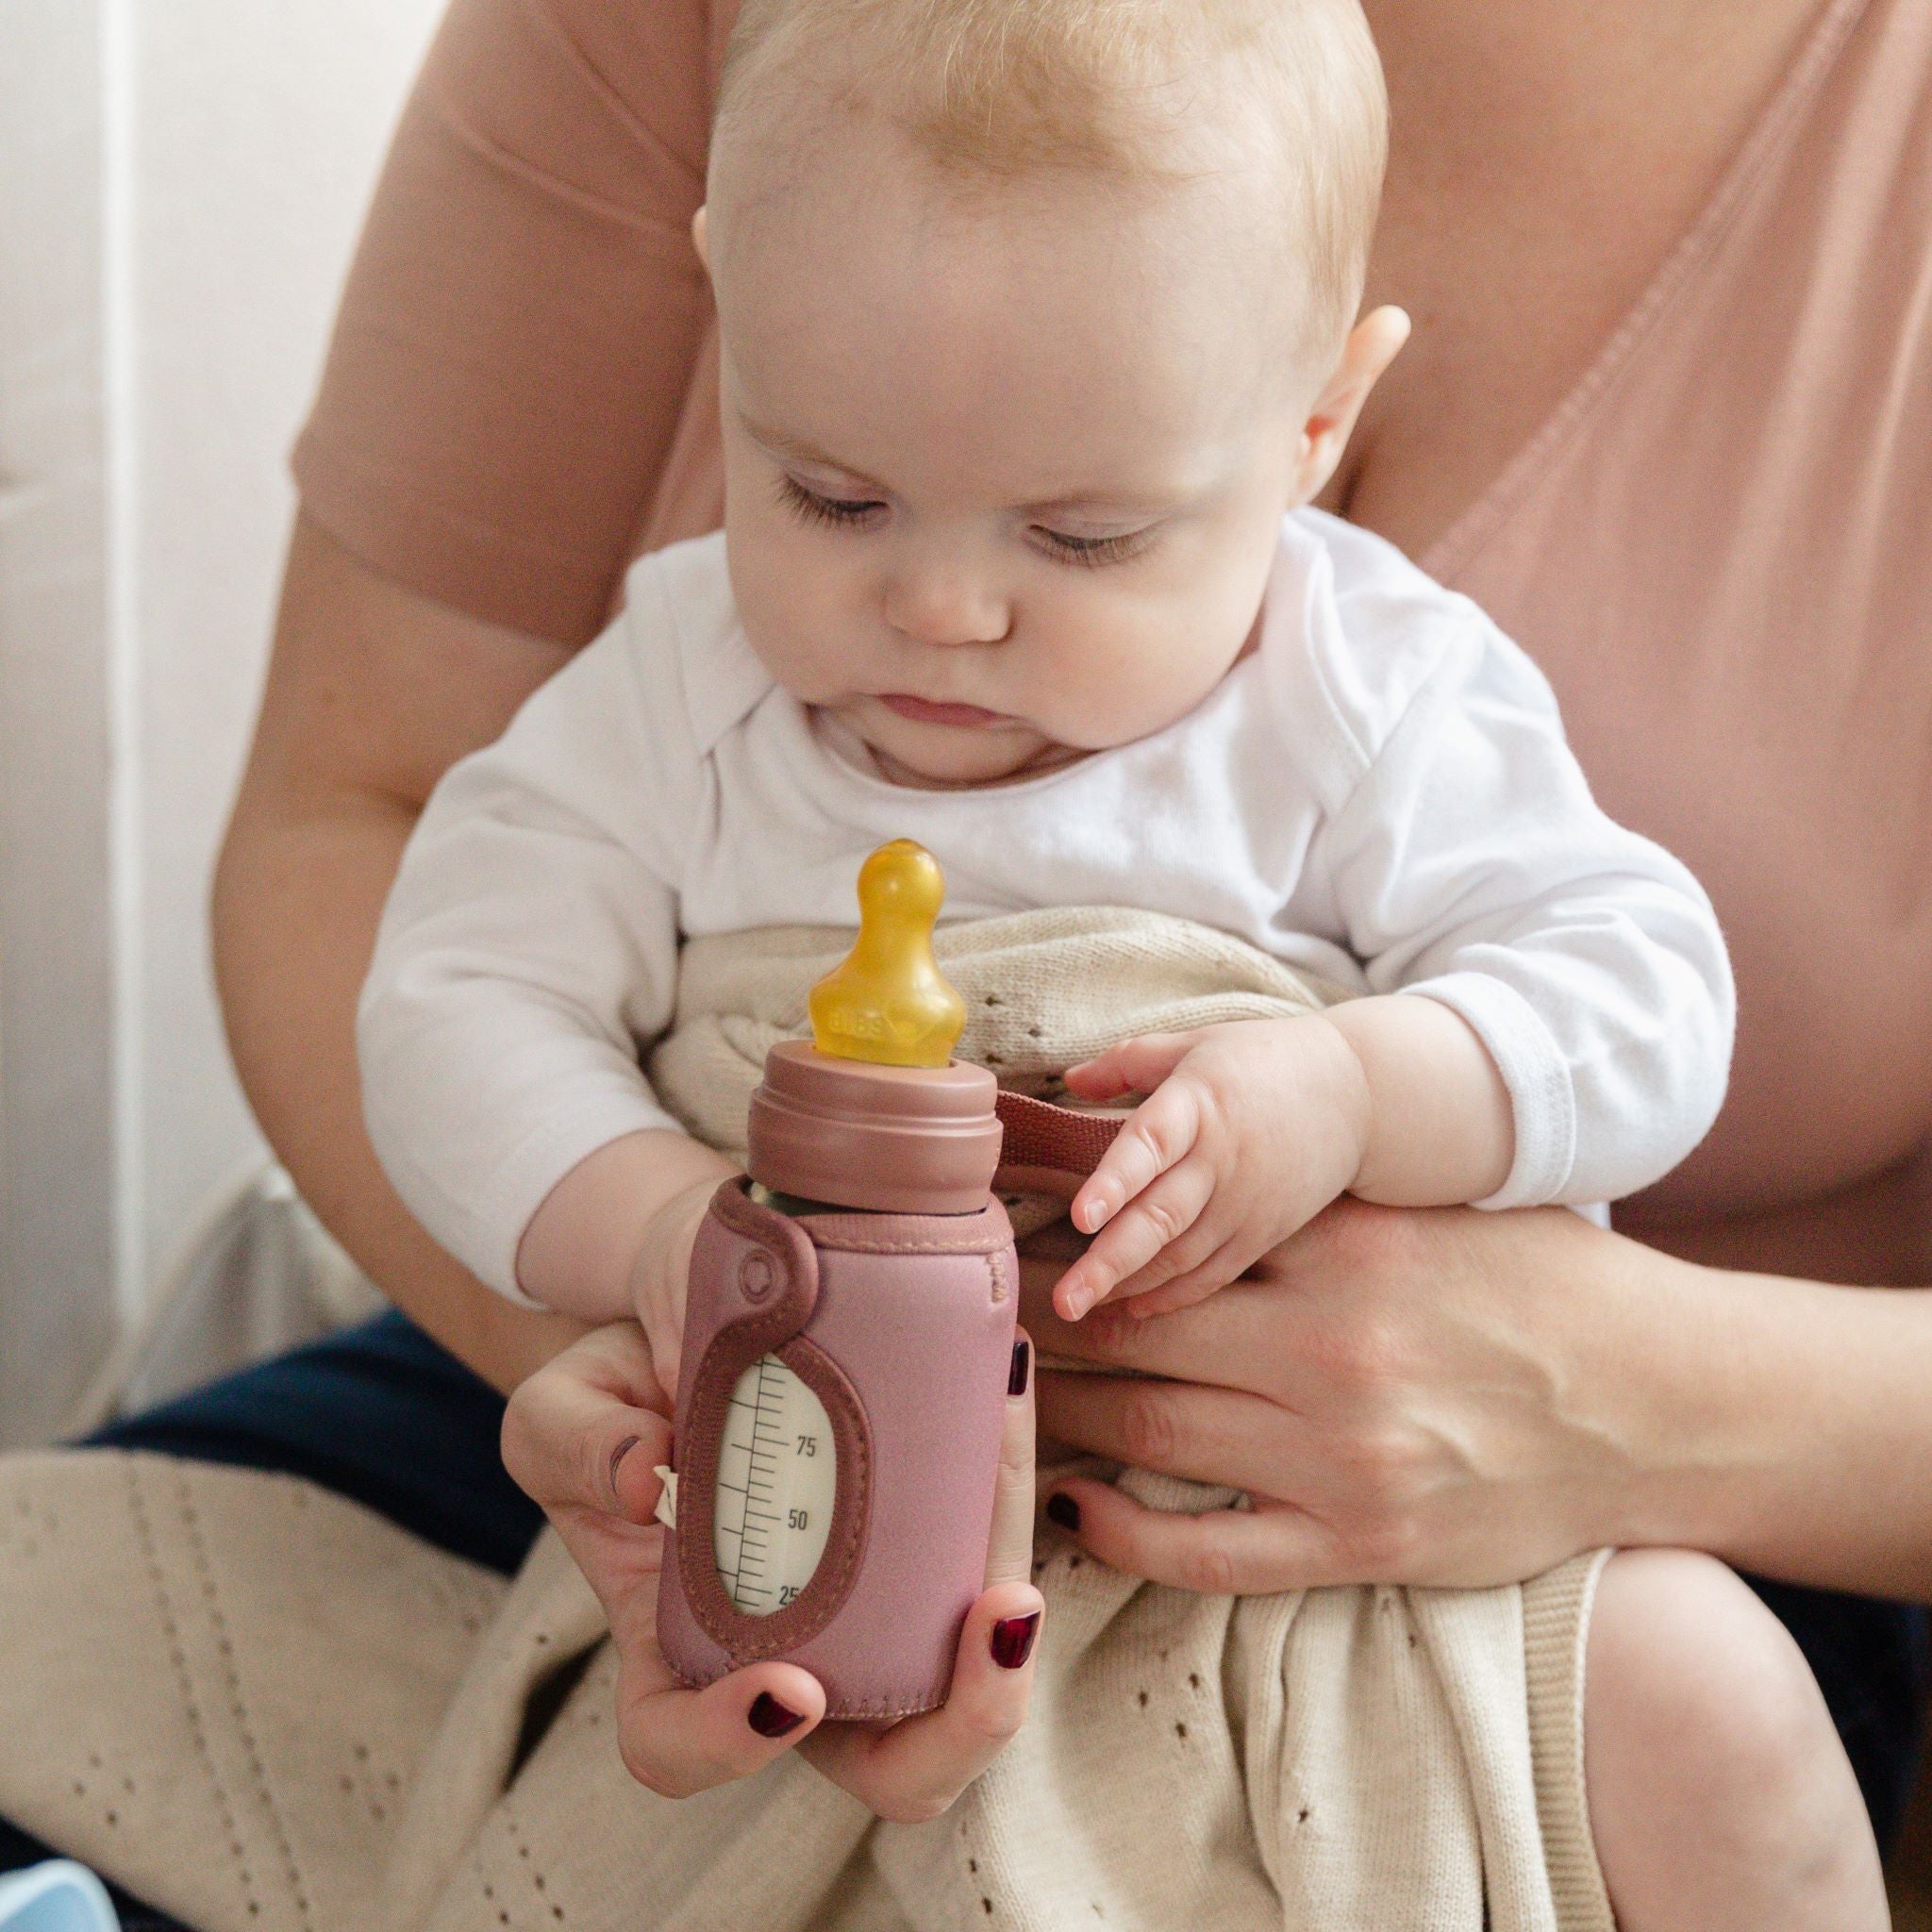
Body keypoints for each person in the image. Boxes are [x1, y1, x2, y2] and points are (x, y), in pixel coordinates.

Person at [6, 0, 1928, 1923]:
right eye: (831, 495)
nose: (937, 607)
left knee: (1713, 1710)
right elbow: (448, 994)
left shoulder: (1363, 692)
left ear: (1314, 427)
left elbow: (1640, 997)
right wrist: (660, 1250)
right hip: (784, 1462)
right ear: (730, 314)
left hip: (1364, 1515)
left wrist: (1357, 1088)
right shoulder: (680, 691)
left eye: (1084, 536)